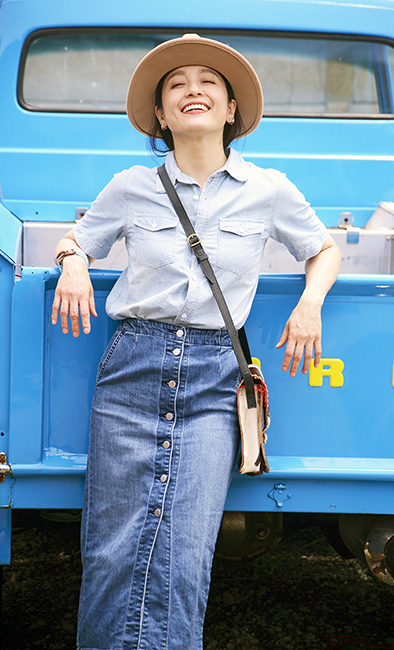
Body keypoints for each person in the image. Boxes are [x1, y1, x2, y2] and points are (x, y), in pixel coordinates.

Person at [51, 34, 341, 650]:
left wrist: (310, 304)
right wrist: (73, 262)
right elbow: (78, 239)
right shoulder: (130, 185)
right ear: (161, 115)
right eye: (176, 85)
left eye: (209, 82)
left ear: (231, 109)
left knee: (185, 552)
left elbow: (323, 248)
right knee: (110, 548)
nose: (193, 90)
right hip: (132, 370)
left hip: (214, 379)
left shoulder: (269, 189)